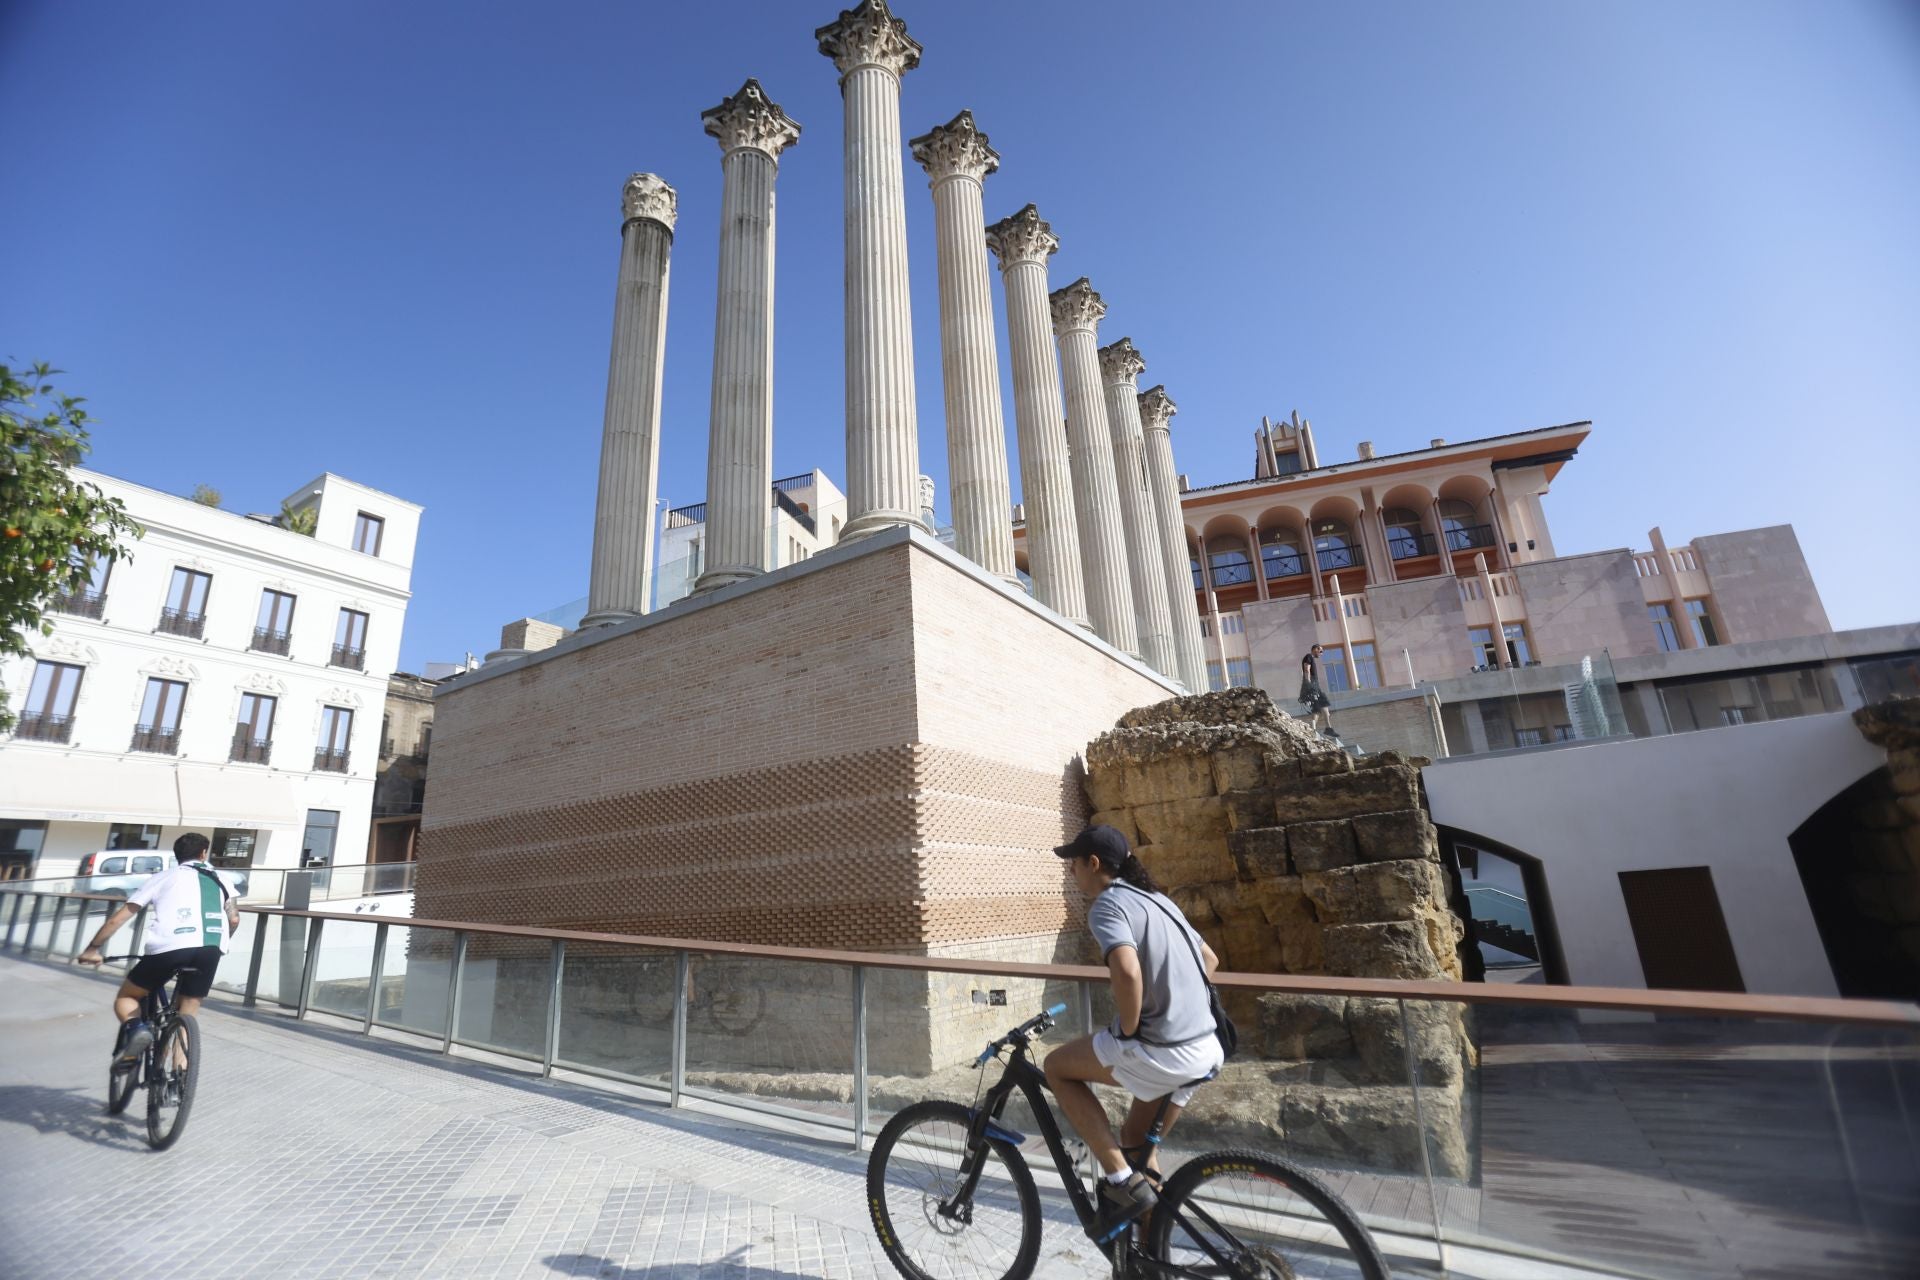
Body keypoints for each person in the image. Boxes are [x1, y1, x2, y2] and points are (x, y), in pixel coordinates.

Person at [1043, 824, 1225, 1241]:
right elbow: (1210, 959)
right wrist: (1177, 1006)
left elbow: (1126, 972)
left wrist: (1128, 1030)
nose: (1071, 872)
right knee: (1137, 1142)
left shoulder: (1107, 905)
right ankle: (1151, 1253)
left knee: (1056, 1067)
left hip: (1163, 1049)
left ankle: (1121, 1181)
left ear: (1093, 864)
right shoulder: (1158, 899)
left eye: (1074, 863)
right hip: (1205, 1046)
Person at [78, 832, 240, 1062]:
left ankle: (137, 1030)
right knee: (188, 1015)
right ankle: (178, 1079)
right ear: (203, 854)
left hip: (169, 948)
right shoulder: (222, 879)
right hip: (211, 948)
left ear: (177, 855)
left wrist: (92, 950)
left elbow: (117, 919)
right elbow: (234, 919)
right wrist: (221, 945)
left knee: (127, 997)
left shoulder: (162, 877)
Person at [1299, 643, 1334, 736]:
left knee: (1317, 709)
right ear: (1315, 649)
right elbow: (1306, 670)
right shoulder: (1309, 656)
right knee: (1324, 705)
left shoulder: (1310, 658)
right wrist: (1309, 684)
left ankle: (1313, 729)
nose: (1321, 653)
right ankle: (1328, 728)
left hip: (1313, 686)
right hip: (1312, 686)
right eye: (1321, 651)